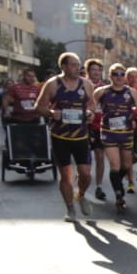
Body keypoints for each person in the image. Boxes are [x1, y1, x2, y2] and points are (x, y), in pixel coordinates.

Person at [35, 52, 97, 222]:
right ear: (63, 66)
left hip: (80, 136)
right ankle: (70, 209)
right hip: (60, 136)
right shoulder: (53, 84)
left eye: (78, 65)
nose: (77, 68)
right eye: (73, 65)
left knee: (85, 174)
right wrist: (51, 112)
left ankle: (81, 194)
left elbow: (92, 104)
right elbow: (38, 107)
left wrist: (90, 113)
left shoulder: (86, 84)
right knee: (66, 174)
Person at [95, 63, 137, 213]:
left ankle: (118, 182)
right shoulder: (101, 92)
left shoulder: (131, 92)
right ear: (110, 76)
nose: (118, 77)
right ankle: (119, 194)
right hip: (108, 131)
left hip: (125, 132)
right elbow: (91, 108)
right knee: (115, 164)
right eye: (115, 74)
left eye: (121, 74)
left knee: (126, 165)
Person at [84, 58, 109, 200]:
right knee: (84, 160)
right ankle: (81, 180)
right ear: (88, 71)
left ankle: (99, 186)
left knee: (100, 157)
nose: (96, 72)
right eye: (93, 69)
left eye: (99, 70)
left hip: (99, 126)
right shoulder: (81, 85)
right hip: (84, 126)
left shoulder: (104, 88)